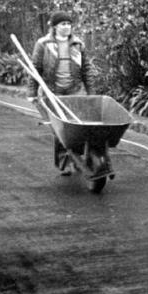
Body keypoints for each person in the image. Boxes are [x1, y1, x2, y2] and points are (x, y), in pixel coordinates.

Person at [25, 10, 98, 174]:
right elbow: (35, 69)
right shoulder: (43, 44)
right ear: (55, 26)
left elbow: (86, 69)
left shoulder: (77, 44)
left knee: (78, 126)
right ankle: (64, 163)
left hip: (75, 91)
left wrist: (91, 92)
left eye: (69, 24)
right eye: (63, 24)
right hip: (53, 92)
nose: (67, 27)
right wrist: (32, 92)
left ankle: (78, 160)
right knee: (61, 130)